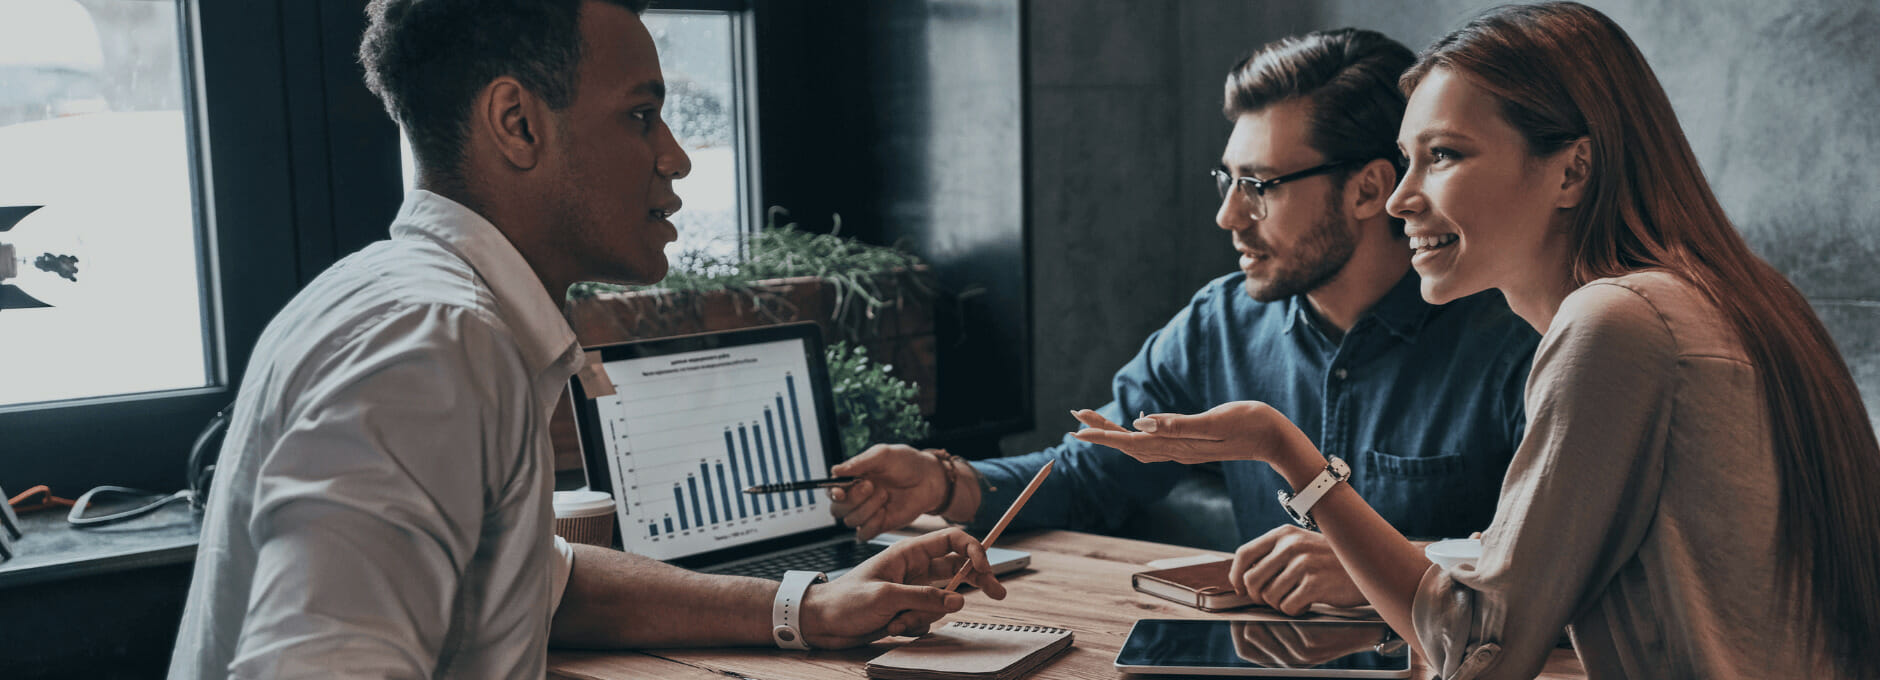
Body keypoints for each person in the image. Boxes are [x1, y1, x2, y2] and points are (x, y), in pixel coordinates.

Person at [167, 2, 1005, 677]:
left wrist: (806, 608)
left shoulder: (415, 307)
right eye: (642, 116)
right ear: (517, 124)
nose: (675, 158)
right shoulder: (430, 344)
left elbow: (542, 584)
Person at [1075, 3, 1880, 678]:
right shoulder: (1724, 297)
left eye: (1445, 157)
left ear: (1572, 172)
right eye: (1406, 159)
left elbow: (1478, 650)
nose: (1401, 200)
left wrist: (1286, 451)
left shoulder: (1614, 326)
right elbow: (1525, 574)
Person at [829, 28, 1539, 617]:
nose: (1228, 215)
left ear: (1369, 189)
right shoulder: (1219, 322)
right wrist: (943, 484)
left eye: (1259, 186)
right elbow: (1092, 471)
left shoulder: (1516, 337)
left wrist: (1396, 568)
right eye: (1226, 181)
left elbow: (1559, 567)